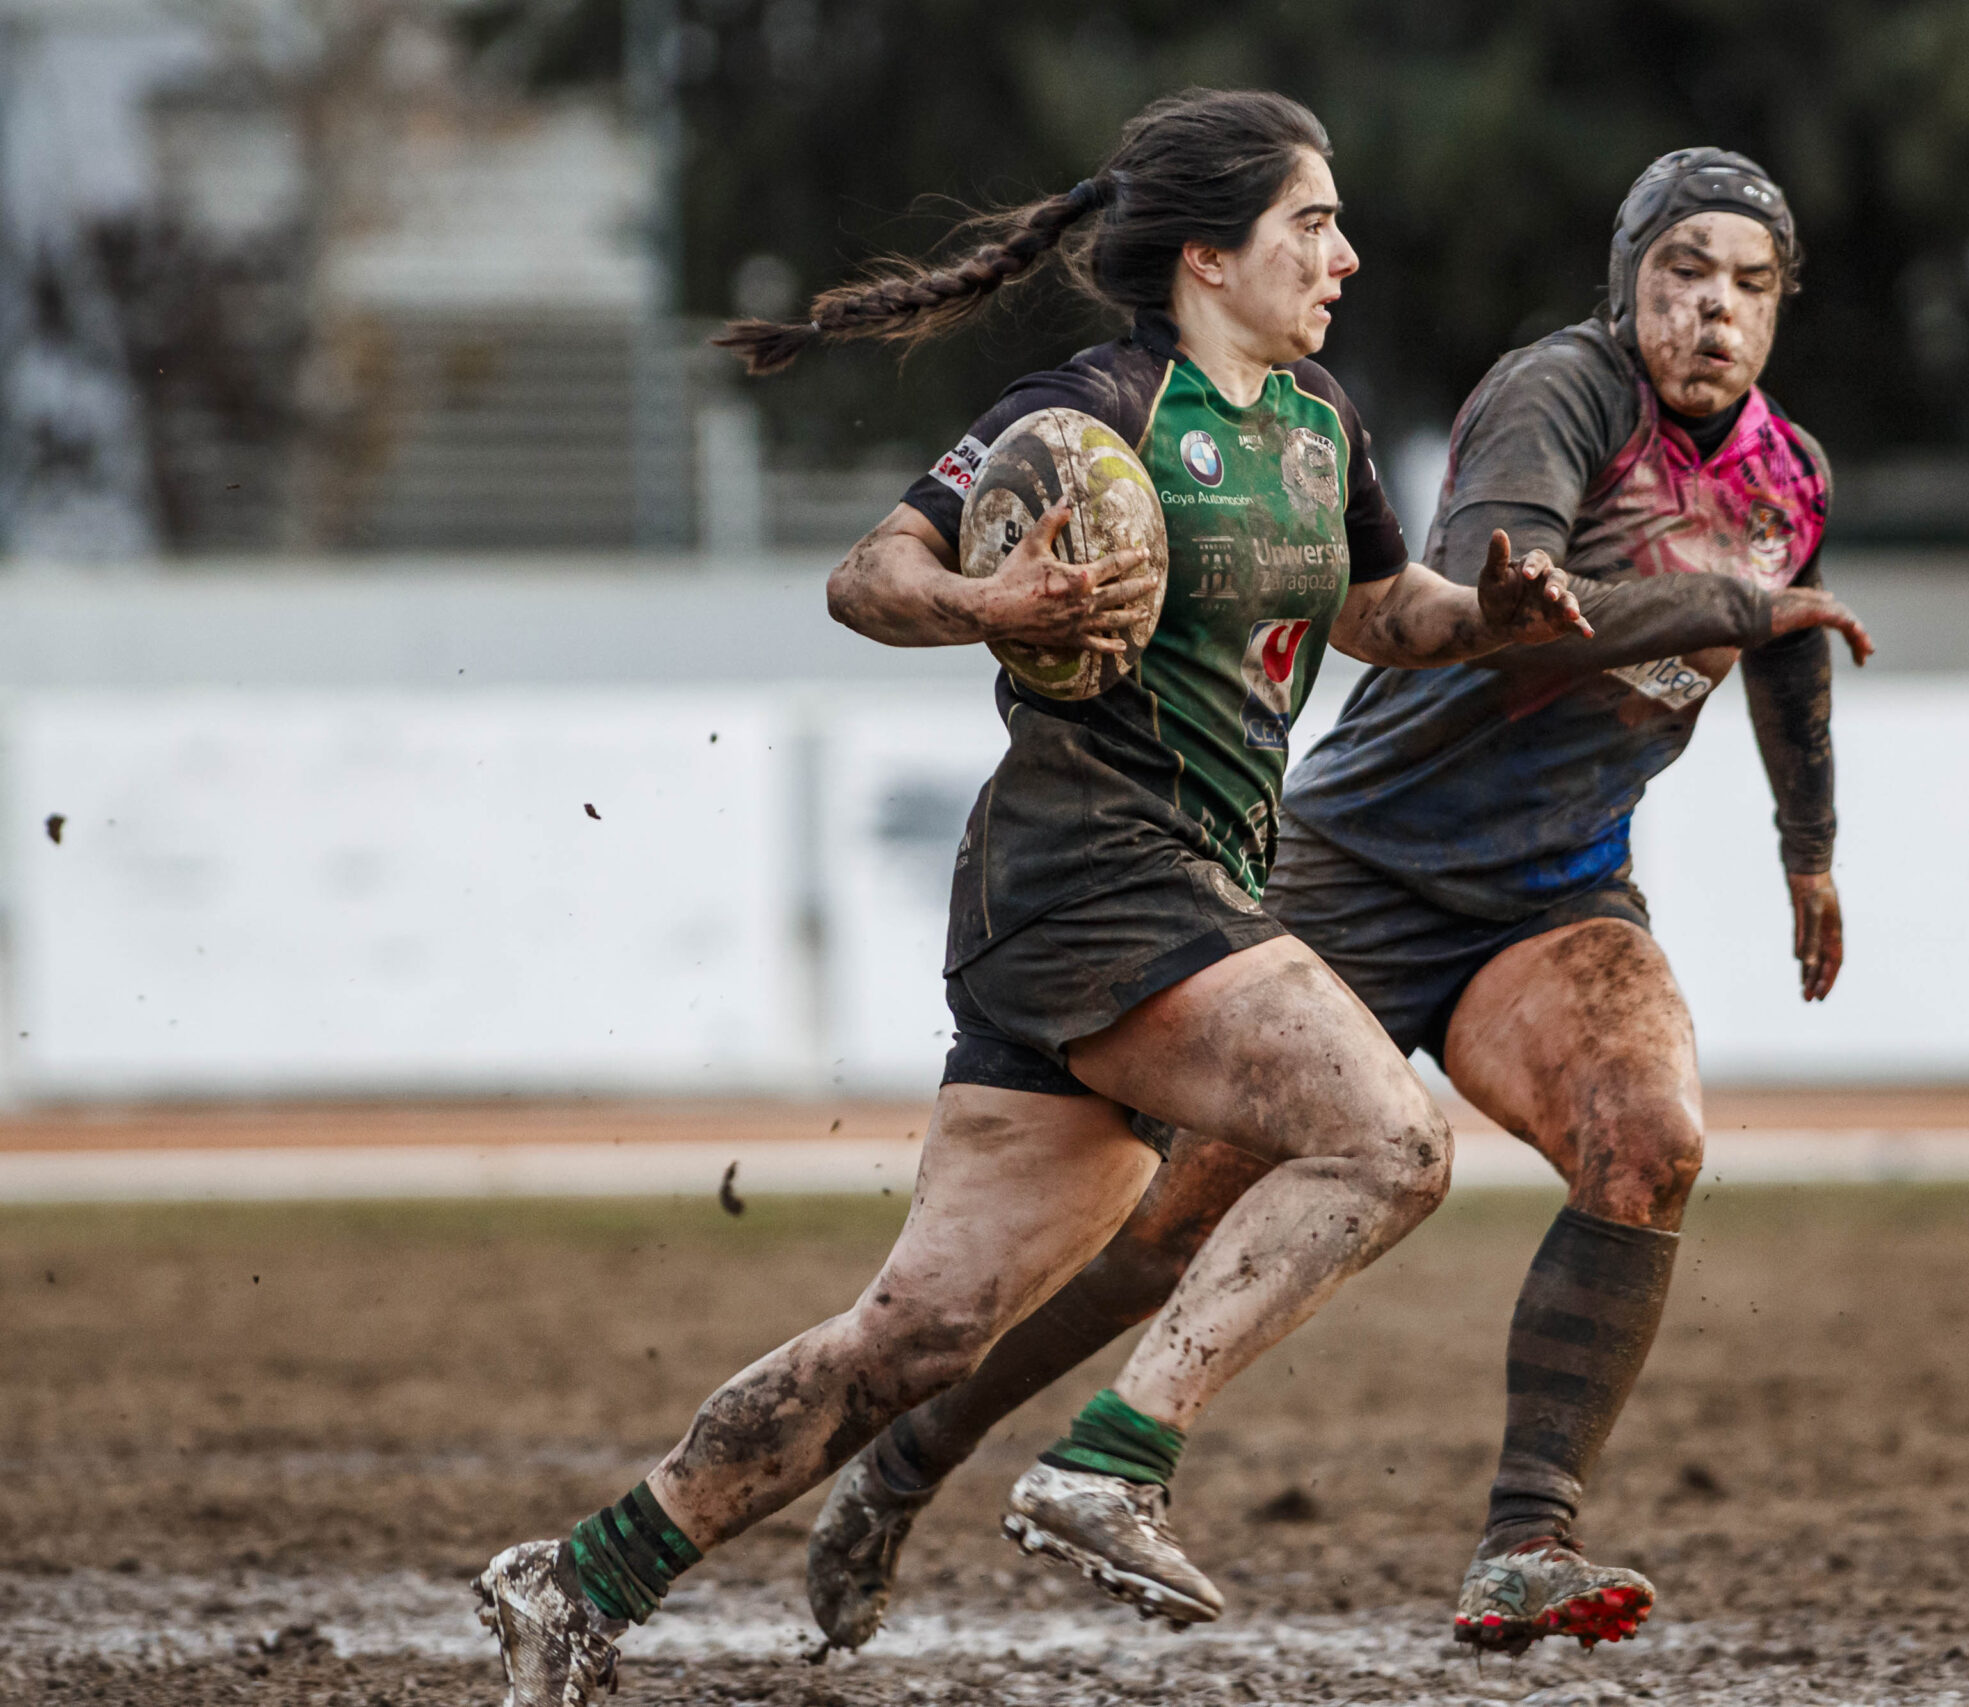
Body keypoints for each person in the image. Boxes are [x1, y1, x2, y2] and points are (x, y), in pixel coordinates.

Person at [469, 88, 1602, 1707]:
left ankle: (576, 1582)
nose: (1344, 253)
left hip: (1150, 894)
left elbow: (1375, 609)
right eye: (1312, 222)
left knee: (912, 1345)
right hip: (1090, 877)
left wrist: (1489, 613)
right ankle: (1114, 1463)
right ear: (1210, 252)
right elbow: (870, 574)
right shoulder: (1090, 412)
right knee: (1390, 1140)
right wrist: (982, 597)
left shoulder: (1317, 422)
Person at [802, 146, 1873, 1659]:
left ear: (1781, 309)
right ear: (1625, 279)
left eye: (1749, 285)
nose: (1712, 309)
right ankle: (905, 1466)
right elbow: (1498, 615)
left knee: (1651, 1146)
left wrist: (1808, 846)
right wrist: (1727, 604)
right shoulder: (1559, 394)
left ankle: (1526, 1542)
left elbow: (1787, 641)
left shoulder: (1791, 476)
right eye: (1681, 272)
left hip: (1554, 899)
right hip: (1354, 867)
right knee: (1161, 1233)